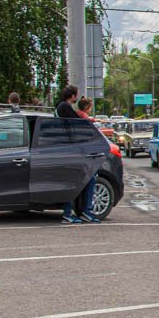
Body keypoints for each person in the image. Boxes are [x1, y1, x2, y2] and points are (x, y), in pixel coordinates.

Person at [55, 86, 99, 224]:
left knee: (80, 179)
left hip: (67, 148)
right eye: (76, 95)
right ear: (72, 96)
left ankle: (78, 211)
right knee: (83, 178)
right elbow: (76, 124)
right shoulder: (64, 107)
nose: (76, 98)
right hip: (71, 149)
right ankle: (75, 212)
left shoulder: (60, 106)